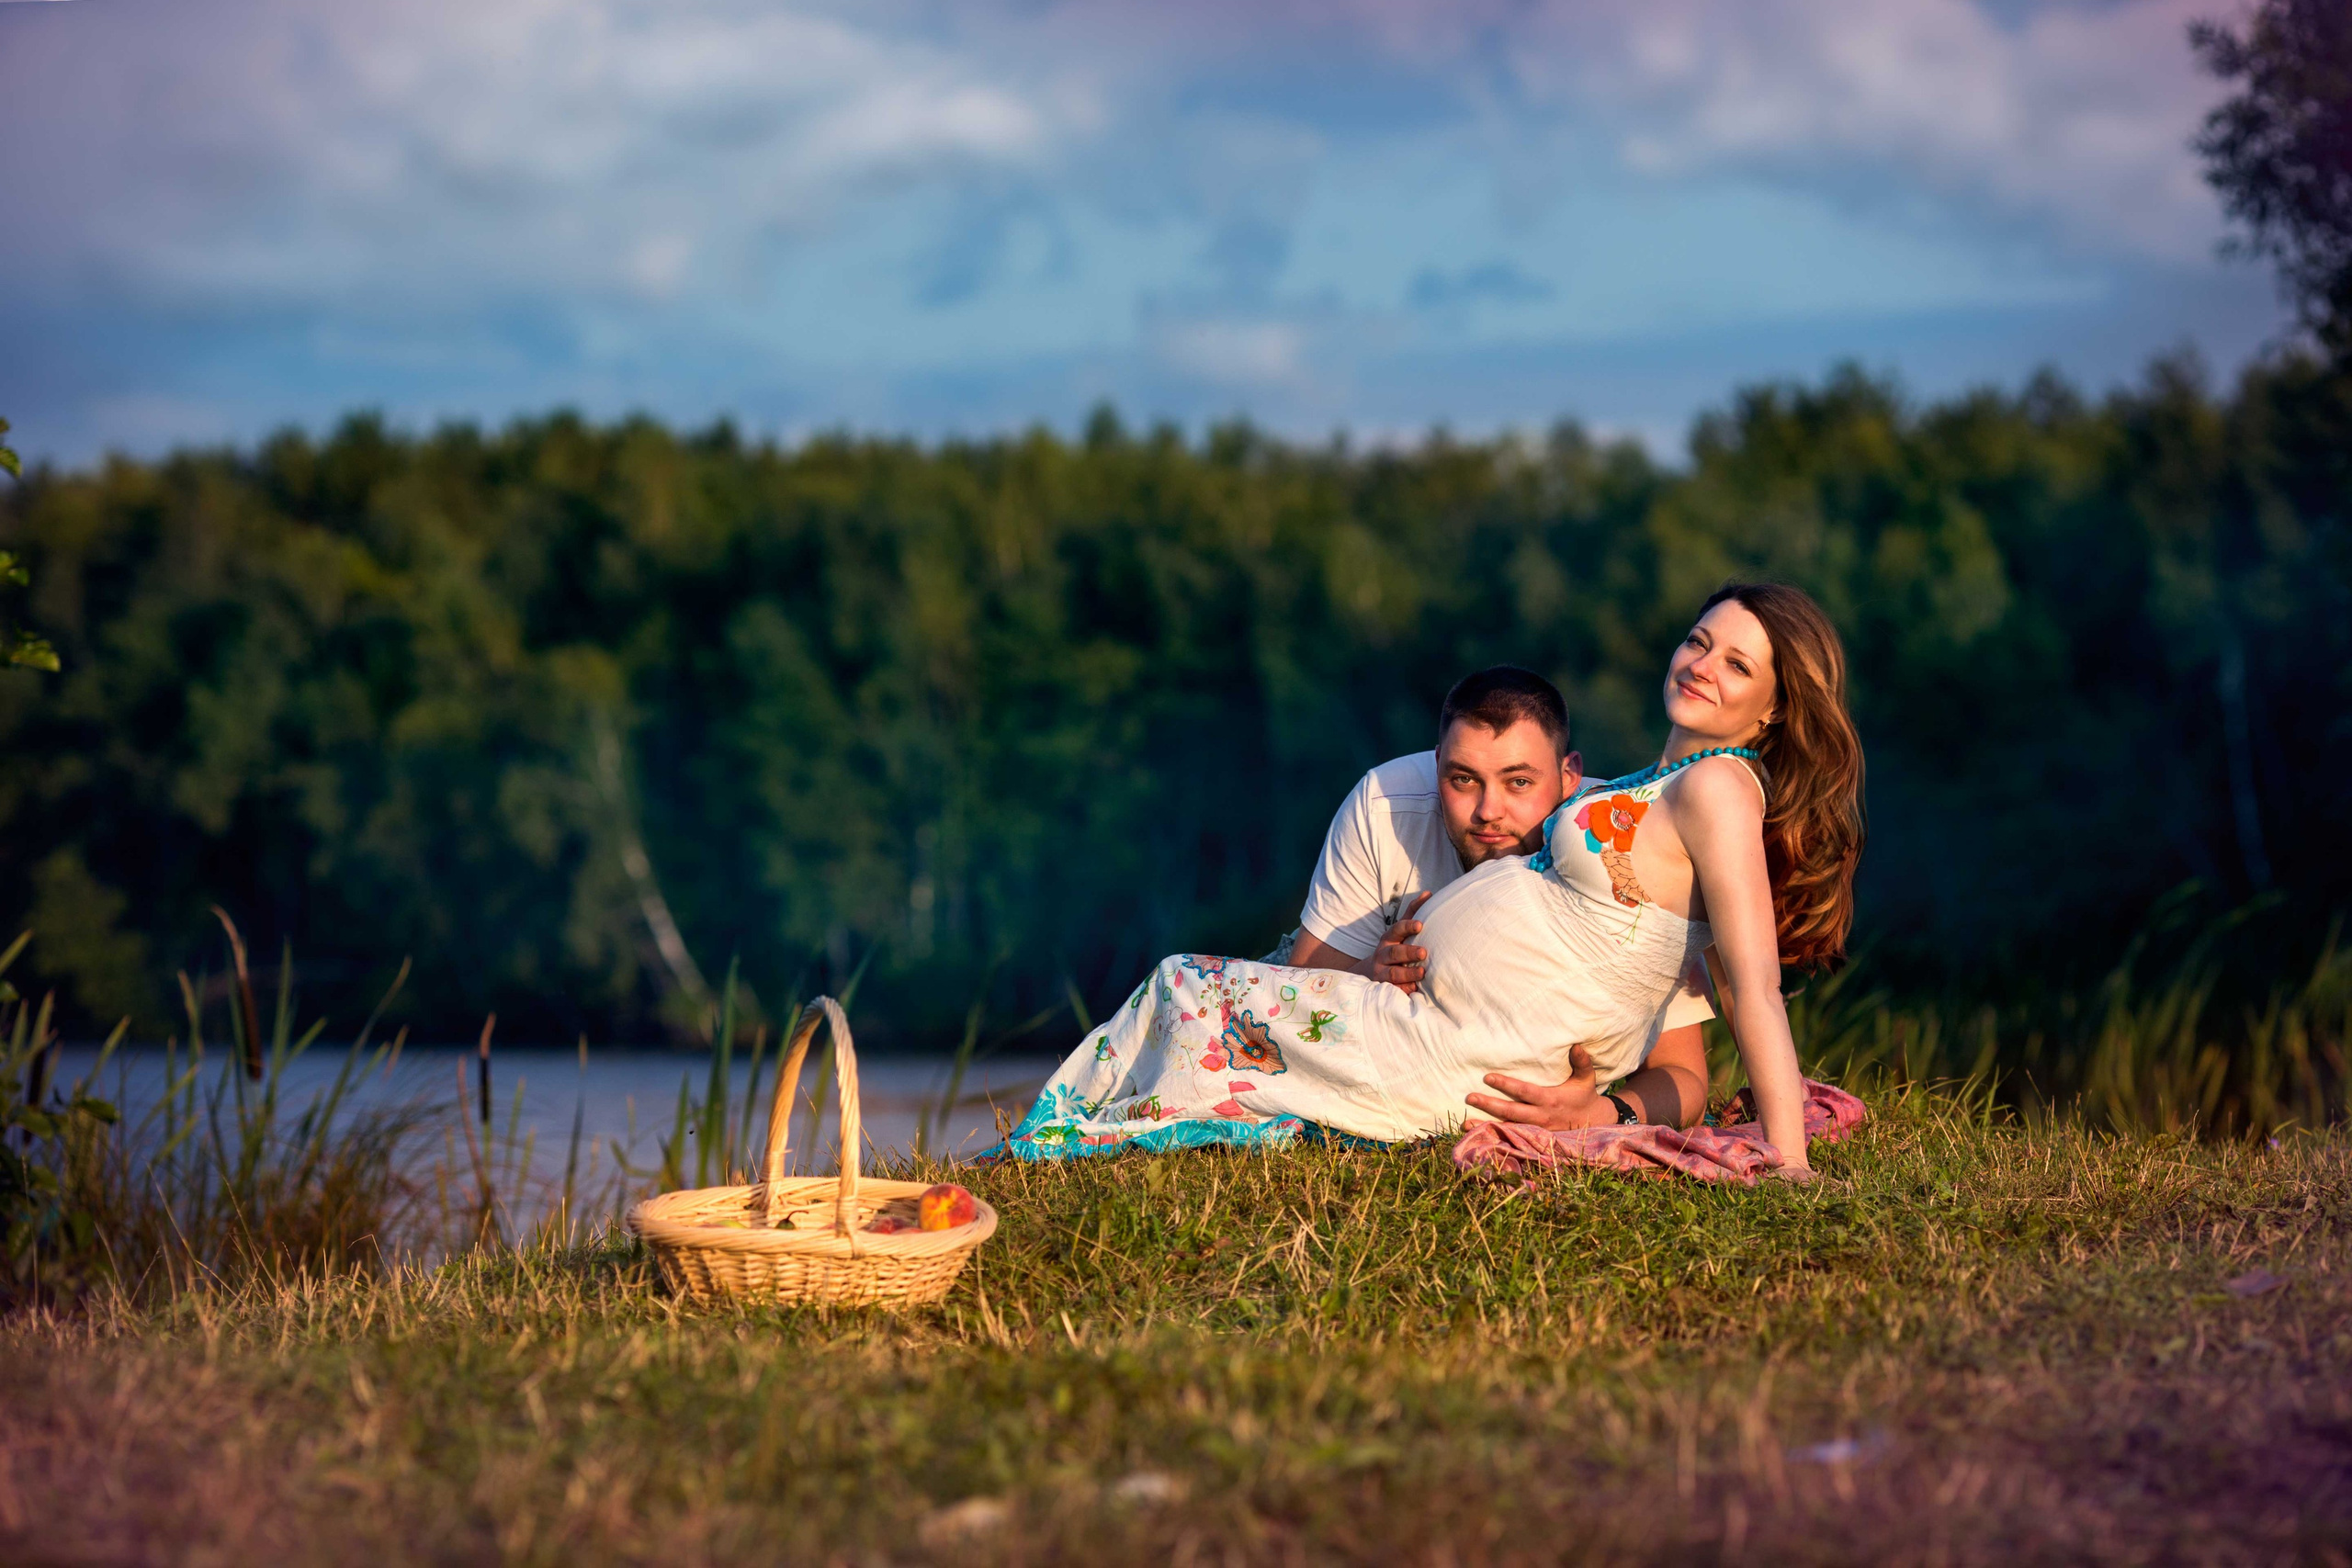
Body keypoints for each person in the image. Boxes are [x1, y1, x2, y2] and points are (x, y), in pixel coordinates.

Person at [989, 582, 1864, 1175]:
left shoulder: (1716, 787)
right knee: (1192, 991)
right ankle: (1059, 1138)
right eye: (1698, 640)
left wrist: (1785, 1163)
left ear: (1776, 706)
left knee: (1184, 988)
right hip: (1446, 1027)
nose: (1702, 664)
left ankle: (1044, 1149)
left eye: (1738, 664)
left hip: (1467, 1055)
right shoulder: (1653, 784)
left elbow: (1755, 986)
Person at [1280, 666, 1716, 1130]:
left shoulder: (1617, 842)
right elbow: (1294, 991)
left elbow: (1684, 1077)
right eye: (1463, 780)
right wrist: (1370, 970)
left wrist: (1602, 1114)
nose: (1489, 811)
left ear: (1570, 777)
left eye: (1519, 783)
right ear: (1437, 765)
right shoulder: (1385, 803)